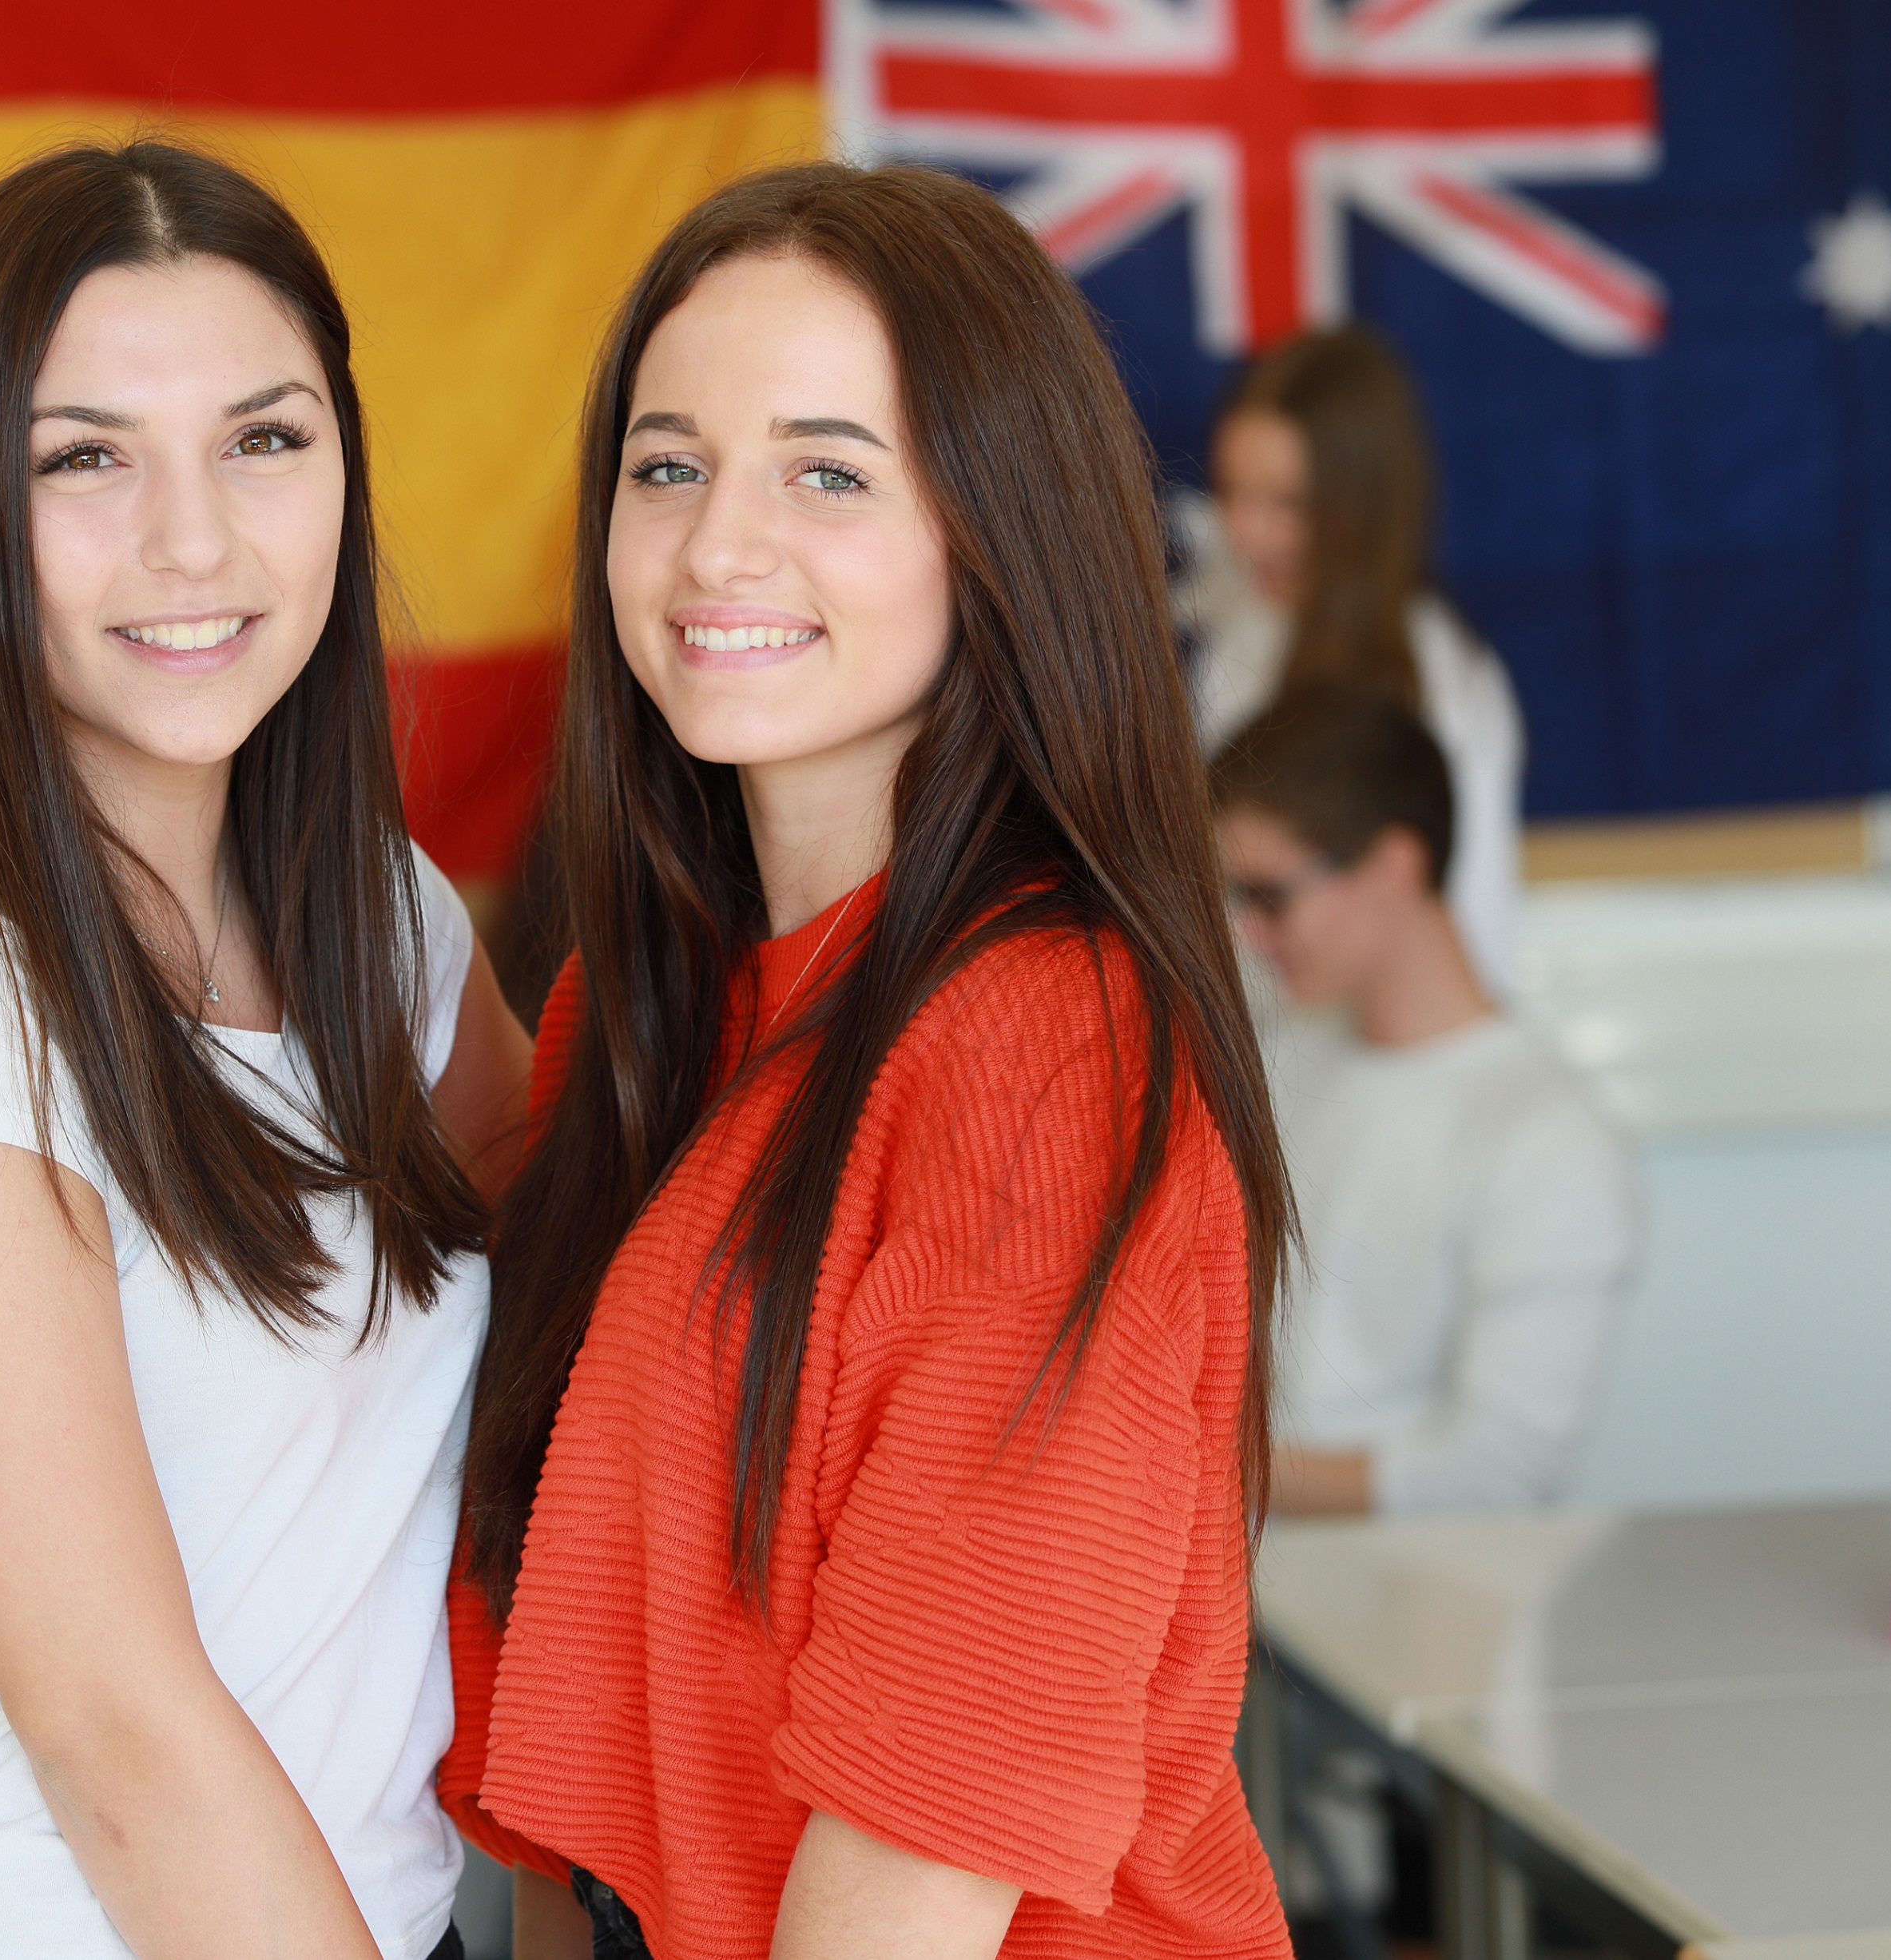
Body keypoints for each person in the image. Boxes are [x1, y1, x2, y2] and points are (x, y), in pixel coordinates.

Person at [447, 161, 1293, 1960]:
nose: (717, 547)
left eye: (826, 473)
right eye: (666, 467)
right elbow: (574, 1775)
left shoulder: (1043, 1046)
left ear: (999, 534)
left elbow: (926, 1833)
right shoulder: (643, 1004)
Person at [0, 140, 530, 1957]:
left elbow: (595, 1319)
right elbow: (125, 1745)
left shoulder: (380, 918)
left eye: (263, 439)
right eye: (82, 458)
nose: (193, 540)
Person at [1212, 682, 1637, 1518]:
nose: (1248, 933)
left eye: (1270, 897)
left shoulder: (1548, 1138)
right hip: (1233, 1575)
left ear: (1394, 867)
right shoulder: (1278, 1060)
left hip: (1409, 1595)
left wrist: (1194, 1472)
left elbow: (1492, 1473)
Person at [1176, 326, 1527, 998]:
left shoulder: (1440, 683)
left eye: (1286, 503)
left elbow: (1471, 942)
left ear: (1362, 508)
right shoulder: (1238, 633)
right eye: (1232, 492)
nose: (1247, 532)